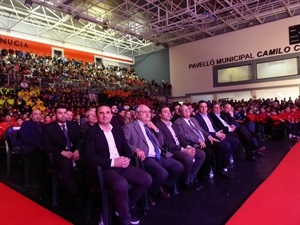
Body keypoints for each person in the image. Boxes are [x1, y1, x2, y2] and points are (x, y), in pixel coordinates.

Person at [83, 105, 152, 225]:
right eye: (101, 113)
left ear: (111, 114)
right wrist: (114, 162)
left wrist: (126, 158)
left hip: (122, 166)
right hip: (104, 169)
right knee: (121, 184)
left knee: (146, 179)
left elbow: (127, 149)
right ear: (97, 115)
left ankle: (127, 205)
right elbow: (90, 157)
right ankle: (125, 219)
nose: (105, 115)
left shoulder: (117, 129)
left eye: (108, 112)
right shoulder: (91, 132)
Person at [124, 104, 184, 204]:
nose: (148, 114)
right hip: (146, 157)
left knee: (179, 166)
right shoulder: (129, 126)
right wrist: (136, 149)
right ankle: (150, 195)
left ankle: (161, 187)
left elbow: (160, 143)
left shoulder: (149, 126)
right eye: (144, 112)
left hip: (159, 154)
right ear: (137, 114)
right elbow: (124, 143)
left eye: (149, 112)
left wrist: (156, 129)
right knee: (162, 173)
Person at [174, 104, 231, 180]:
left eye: (187, 109)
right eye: (184, 110)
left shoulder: (193, 119)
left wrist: (209, 136)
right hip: (194, 143)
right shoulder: (178, 122)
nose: (187, 110)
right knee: (208, 151)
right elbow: (184, 136)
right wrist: (198, 140)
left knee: (219, 146)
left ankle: (219, 169)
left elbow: (201, 130)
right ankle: (204, 174)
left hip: (204, 140)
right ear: (180, 113)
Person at [155, 106, 205, 189]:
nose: (168, 113)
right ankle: (184, 181)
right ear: (160, 114)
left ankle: (190, 178)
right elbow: (166, 143)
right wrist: (183, 149)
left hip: (181, 146)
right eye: (165, 111)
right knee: (189, 158)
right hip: (172, 150)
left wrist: (188, 146)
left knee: (201, 154)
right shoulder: (159, 125)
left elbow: (181, 138)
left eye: (169, 111)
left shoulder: (172, 124)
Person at [41, 106, 82, 208]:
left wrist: (77, 149)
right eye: (60, 113)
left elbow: (80, 140)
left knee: (89, 160)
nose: (63, 115)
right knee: (66, 163)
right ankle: (75, 195)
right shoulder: (49, 127)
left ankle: (89, 190)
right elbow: (45, 145)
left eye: (65, 113)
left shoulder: (73, 124)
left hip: (74, 153)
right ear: (55, 114)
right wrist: (61, 152)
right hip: (58, 155)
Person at [195, 101, 239, 167]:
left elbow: (214, 127)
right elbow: (202, 131)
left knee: (235, 141)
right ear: (198, 108)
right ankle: (221, 167)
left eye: (205, 107)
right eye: (202, 107)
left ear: (207, 108)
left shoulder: (208, 116)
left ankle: (226, 158)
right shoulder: (197, 118)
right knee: (225, 145)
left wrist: (221, 133)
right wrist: (215, 134)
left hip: (216, 134)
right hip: (208, 138)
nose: (204, 108)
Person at [19, 109, 46, 191]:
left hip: (43, 148)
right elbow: (25, 138)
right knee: (39, 158)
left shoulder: (44, 125)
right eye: (35, 114)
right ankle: (39, 182)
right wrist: (40, 145)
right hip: (30, 148)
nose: (38, 116)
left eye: (39, 114)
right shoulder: (26, 124)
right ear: (31, 116)